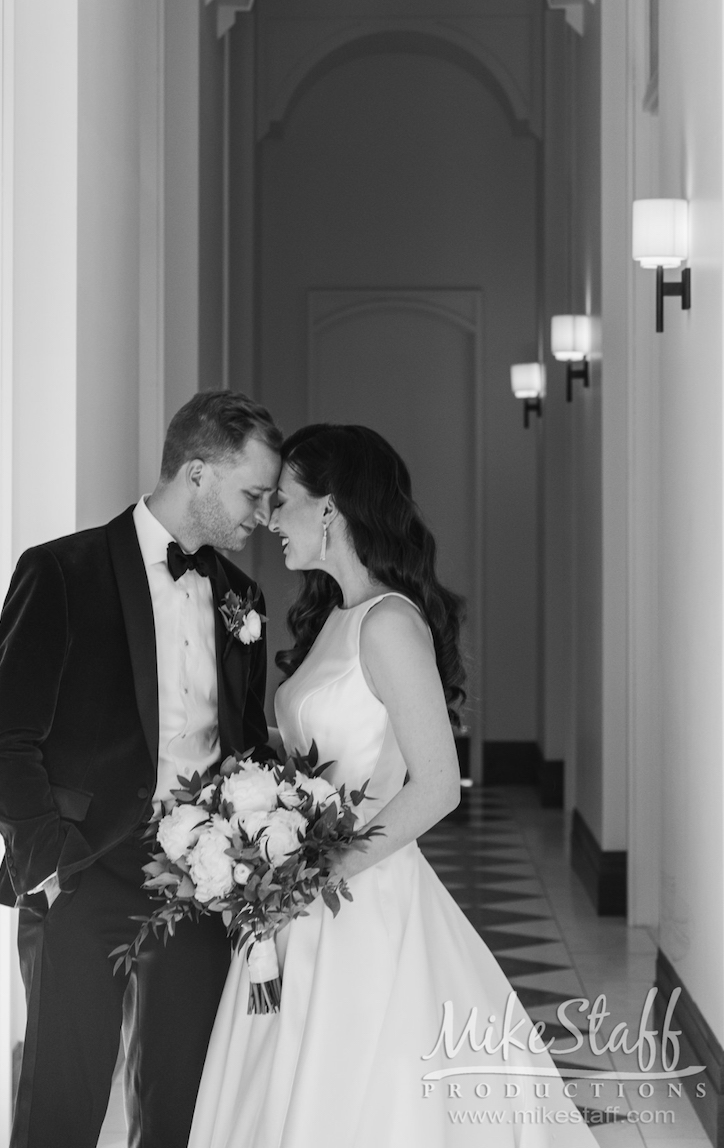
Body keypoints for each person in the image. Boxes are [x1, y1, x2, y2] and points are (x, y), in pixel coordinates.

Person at [188, 423, 599, 1147]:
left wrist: (318, 874)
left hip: (358, 895)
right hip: (306, 891)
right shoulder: (335, 618)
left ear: (330, 509)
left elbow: (438, 785)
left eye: (283, 502)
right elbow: (320, 752)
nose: (270, 521)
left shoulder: (388, 625)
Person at [0, 390, 282, 1148]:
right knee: (62, 1099)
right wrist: (46, 863)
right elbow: (3, 737)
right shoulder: (61, 571)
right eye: (253, 493)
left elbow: (242, 740)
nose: (263, 516)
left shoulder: (242, 597)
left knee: (182, 1100)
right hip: (81, 869)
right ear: (199, 474)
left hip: (198, 879)